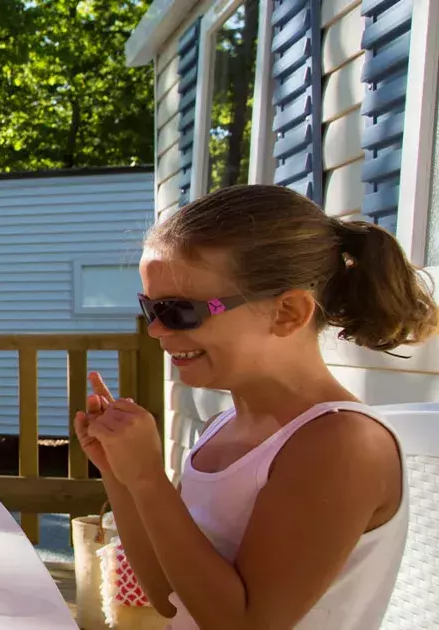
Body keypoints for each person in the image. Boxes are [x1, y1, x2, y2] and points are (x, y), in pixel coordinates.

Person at [75, 184, 435, 628]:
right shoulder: (223, 427)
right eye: (151, 309)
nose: (156, 331)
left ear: (287, 312)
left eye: (180, 311)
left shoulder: (338, 443)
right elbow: (169, 597)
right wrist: (121, 475)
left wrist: (149, 478)